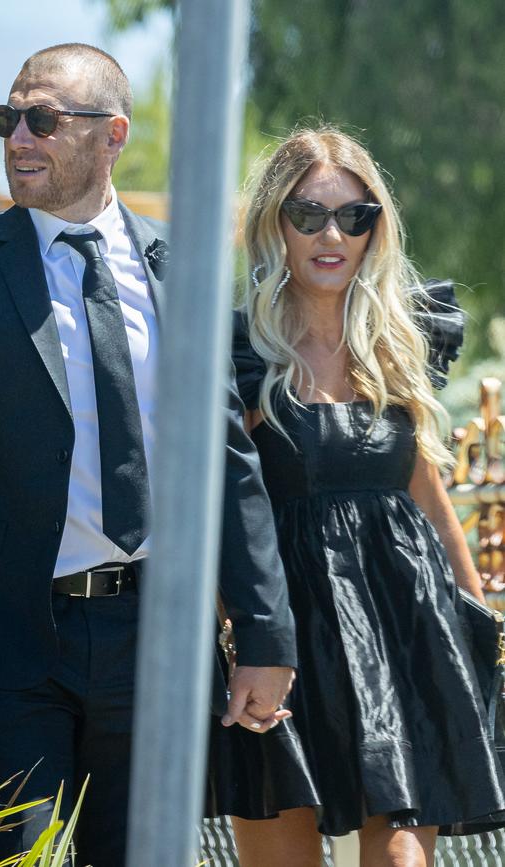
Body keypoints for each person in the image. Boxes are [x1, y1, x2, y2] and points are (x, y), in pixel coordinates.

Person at [0, 44, 297, 867]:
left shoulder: (189, 269)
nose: (18, 137)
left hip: (157, 636)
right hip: (10, 644)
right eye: (7, 118)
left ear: (112, 135)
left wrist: (267, 635)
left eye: (43, 119)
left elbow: (228, 458)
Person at [207, 127, 505, 867]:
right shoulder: (242, 358)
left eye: (354, 215)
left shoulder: (404, 340)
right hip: (283, 641)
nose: (331, 233)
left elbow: (430, 499)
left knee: (403, 857)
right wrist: (233, 632)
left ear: (378, 226)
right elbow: (217, 507)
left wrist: (486, 631)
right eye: (308, 214)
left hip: (404, 631)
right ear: (274, 222)